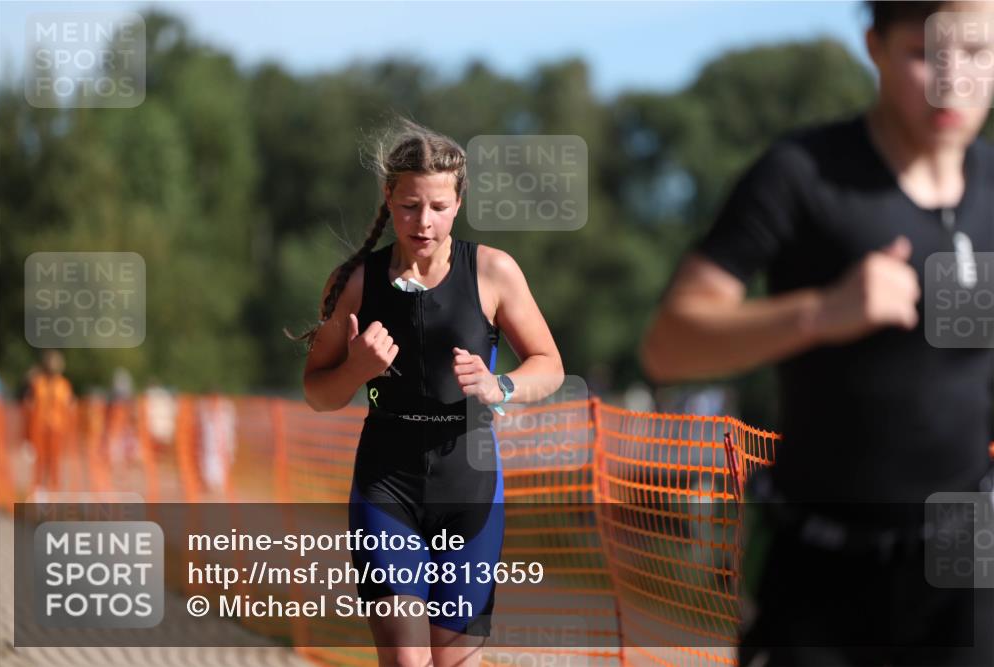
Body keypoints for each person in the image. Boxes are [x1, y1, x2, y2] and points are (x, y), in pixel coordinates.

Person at [640, 2, 993, 666]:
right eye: (925, 54)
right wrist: (821, 312)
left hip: (967, 553)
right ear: (874, 48)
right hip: (826, 568)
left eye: (976, 53)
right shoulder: (801, 174)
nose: (953, 81)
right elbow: (669, 343)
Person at [290, 117, 564, 667]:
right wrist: (356, 369)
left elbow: (550, 365)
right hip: (387, 484)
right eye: (411, 205)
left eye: (438, 207)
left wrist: (499, 384)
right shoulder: (355, 283)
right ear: (389, 198)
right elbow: (318, 392)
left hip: (470, 487)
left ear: (458, 203)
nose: (424, 222)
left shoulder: (492, 272)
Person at [24, 349, 75, 495]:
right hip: (38, 429)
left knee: (54, 465)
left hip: (57, 430)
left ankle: (52, 493)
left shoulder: (64, 385)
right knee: (39, 464)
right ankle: (38, 494)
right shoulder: (37, 383)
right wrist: (27, 436)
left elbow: (70, 407)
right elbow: (29, 407)